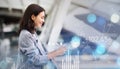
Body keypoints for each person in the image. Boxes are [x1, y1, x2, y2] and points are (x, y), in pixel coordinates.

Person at [18, 4, 66, 69]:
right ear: (33, 17)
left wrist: (55, 51)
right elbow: (35, 60)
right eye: (42, 17)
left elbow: (41, 53)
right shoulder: (26, 35)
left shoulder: (33, 33)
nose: (43, 21)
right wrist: (56, 53)